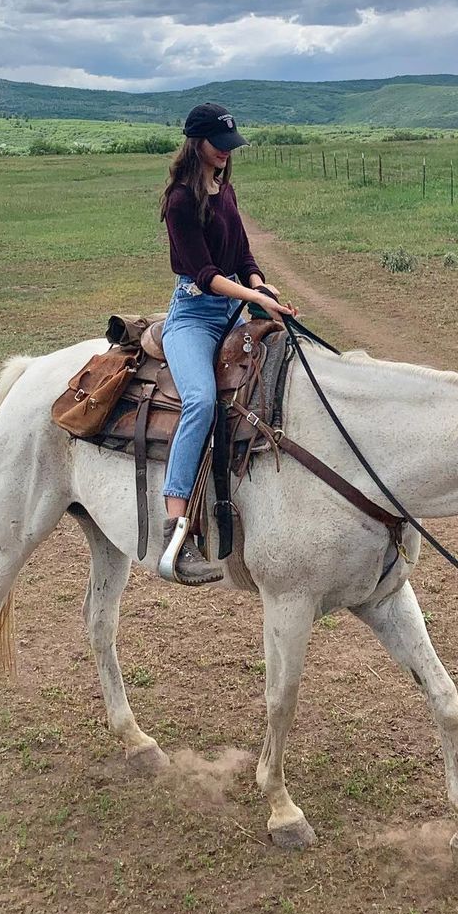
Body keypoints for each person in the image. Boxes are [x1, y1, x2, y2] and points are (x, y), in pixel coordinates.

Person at [157, 102, 297, 584]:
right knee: (199, 400)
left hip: (233, 308)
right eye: (219, 146)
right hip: (194, 315)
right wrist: (253, 293)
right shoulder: (179, 200)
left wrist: (262, 283)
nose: (225, 154)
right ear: (197, 143)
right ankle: (175, 528)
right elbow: (207, 274)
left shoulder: (226, 188)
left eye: (230, 147)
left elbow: (241, 255)